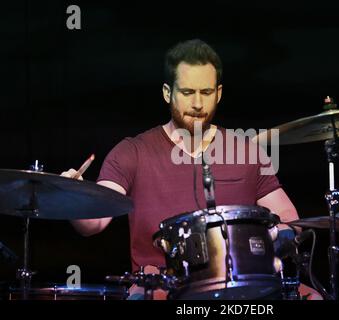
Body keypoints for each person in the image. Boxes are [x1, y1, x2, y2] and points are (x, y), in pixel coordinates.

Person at [62, 39, 321, 300]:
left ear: (218, 93)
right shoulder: (133, 152)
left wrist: (275, 241)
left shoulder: (245, 150)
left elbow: (288, 216)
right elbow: (92, 224)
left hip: (242, 286)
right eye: (187, 92)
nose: (198, 103)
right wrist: (71, 195)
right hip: (164, 287)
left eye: (206, 92)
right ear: (167, 93)